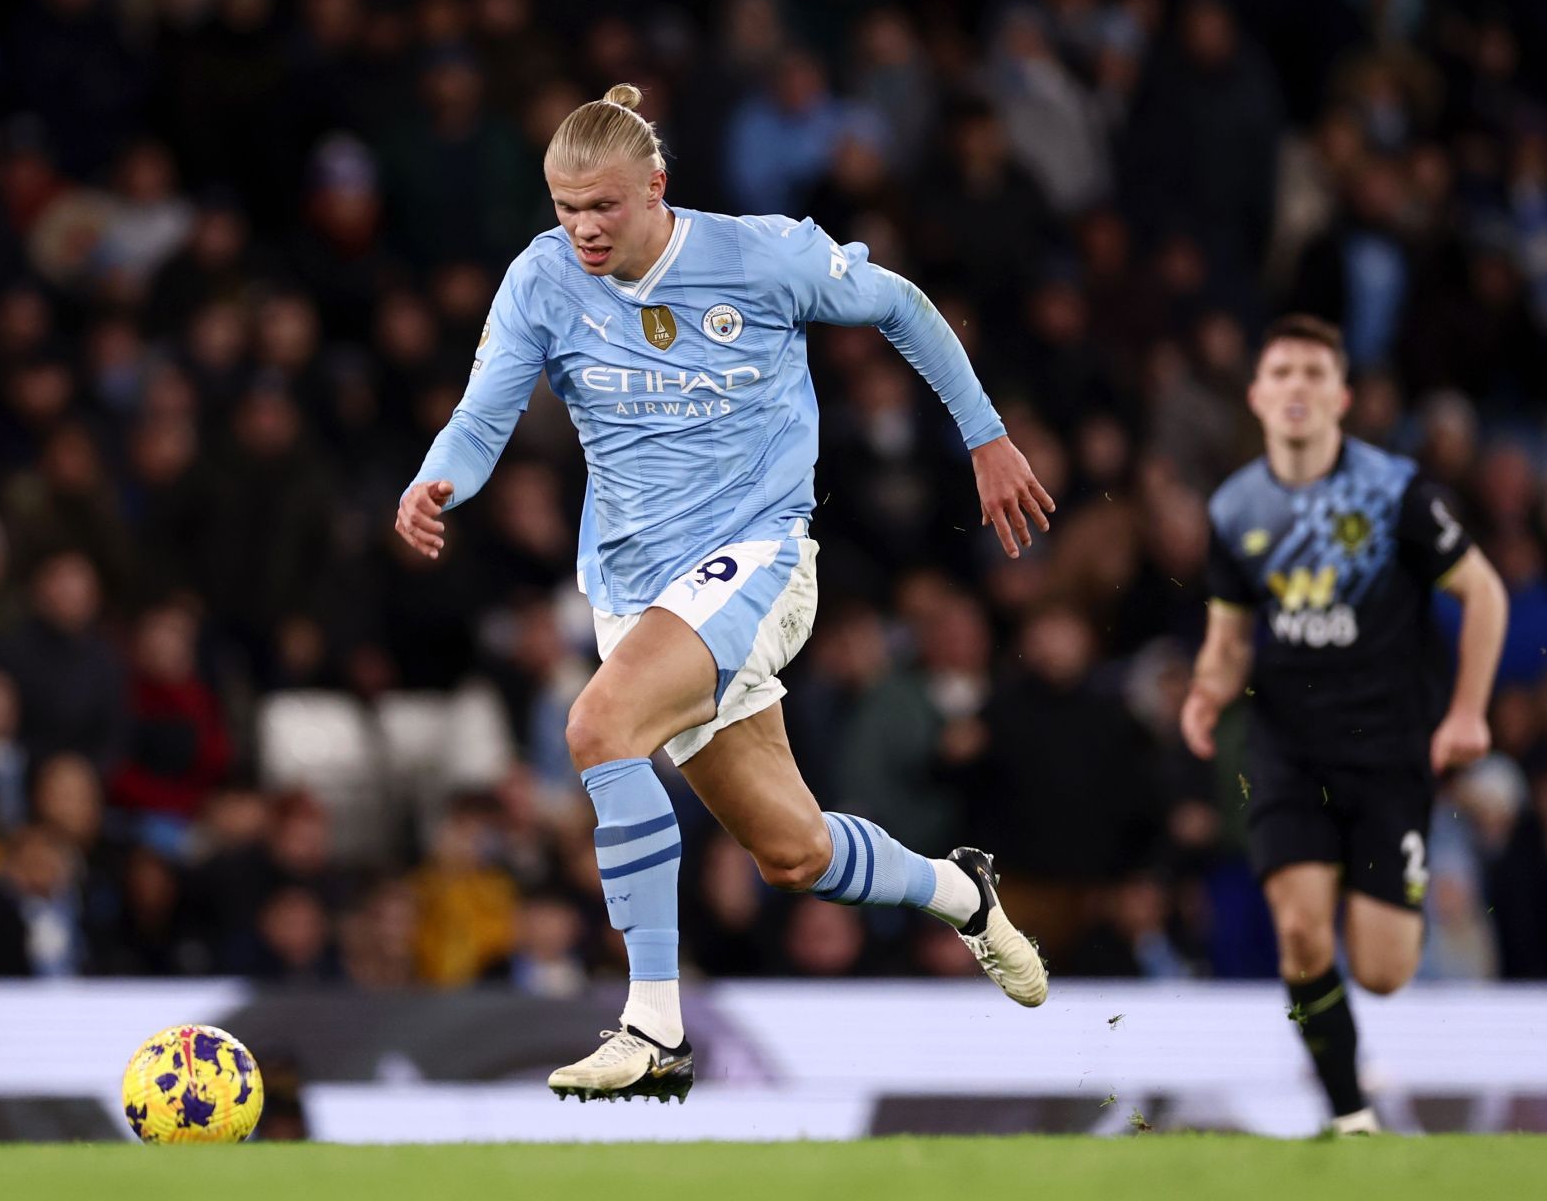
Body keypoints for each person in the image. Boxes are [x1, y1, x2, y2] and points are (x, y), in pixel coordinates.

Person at [396, 84, 1054, 1104]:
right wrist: (436, 479)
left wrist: (986, 435)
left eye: (603, 206)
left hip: (757, 558)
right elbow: (481, 416)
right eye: (565, 207)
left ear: (656, 186)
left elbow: (902, 306)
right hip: (635, 591)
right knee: (793, 851)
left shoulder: (760, 256)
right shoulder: (541, 278)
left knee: (598, 725)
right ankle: (964, 889)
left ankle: (653, 1023)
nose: (582, 228)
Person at [1182, 315, 1509, 1135]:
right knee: (1298, 932)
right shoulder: (1234, 509)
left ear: (1342, 397)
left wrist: (1468, 712)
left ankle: (1353, 1077)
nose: (1297, 386)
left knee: (1385, 968)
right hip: (1287, 752)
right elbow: (1228, 639)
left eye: (1313, 373)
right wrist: (1204, 694)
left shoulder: (1398, 493)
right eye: (1282, 371)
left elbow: (1486, 594)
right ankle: (1351, 1117)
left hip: (1390, 754)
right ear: (1257, 395)